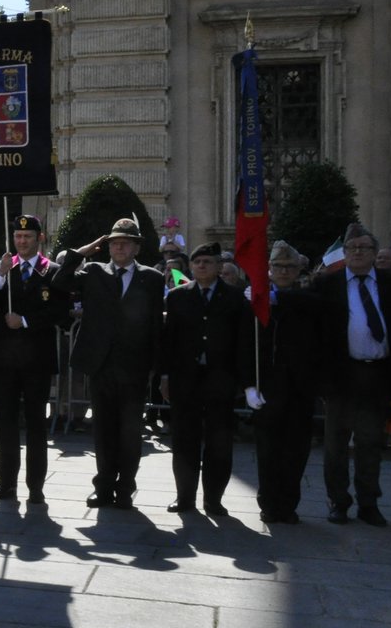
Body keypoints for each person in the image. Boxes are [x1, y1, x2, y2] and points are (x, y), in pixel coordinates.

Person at [53, 217, 165, 509]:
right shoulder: (93, 271)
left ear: (136, 248)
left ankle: (125, 488)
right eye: (114, 243)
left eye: (125, 243)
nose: (119, 247)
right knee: (103, 430)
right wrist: (83, 252)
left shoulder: (151, 278)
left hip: (134, 366)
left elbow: (155, 325)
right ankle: (103, 487)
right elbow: (60, 282)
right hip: (101, 365)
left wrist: (157, 367)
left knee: (130, 432)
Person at [316, 225, 391, 526]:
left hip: (377, 374)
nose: (357, 252)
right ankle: (338, 501)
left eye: (364, 247)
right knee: (336, 445)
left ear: (374, 253)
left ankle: (369, 503)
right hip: (342, 375)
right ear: (344, 252)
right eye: (352, 247)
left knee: (370, 443)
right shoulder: (327, 285)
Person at [160, 243, 253, 515]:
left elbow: (243, 342)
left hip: (220, 379)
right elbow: (168, 341)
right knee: (184, 441)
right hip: (185, 379)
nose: (202, 266)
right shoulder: (178, 296)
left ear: (218, 267)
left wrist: (246, 382)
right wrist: (164, 376)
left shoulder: (235, 298)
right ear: (190, 266)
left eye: (208, 262)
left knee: (219, 442)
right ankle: (185, 497)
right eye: (197, 261)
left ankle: (214, 499)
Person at [0, 215, 64, 504]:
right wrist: (1, 275)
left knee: (35, 424)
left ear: (39, 238)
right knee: (4, 422)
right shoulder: (2, 267)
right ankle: (6, 483)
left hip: (36, 359)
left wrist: (26, 320)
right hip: (4, 358)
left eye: (27, 237)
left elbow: (60, 313)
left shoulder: (51, 271)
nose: (22, 241)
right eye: (17, 236)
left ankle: (35, 486)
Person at [245, 240, 321, 524]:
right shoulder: (257, 297)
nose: (284, 271)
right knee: (267, 450)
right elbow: (246, 344)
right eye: (278, 266)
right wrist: (248, 385)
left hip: (300, 386)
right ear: (269, 269)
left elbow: (318, 306)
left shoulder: (308, 294)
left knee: (296, 449)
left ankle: (288, 505)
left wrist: (277, 298)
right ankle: (268, 502)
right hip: (268, 386)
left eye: (290, 266)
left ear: (299, 268)